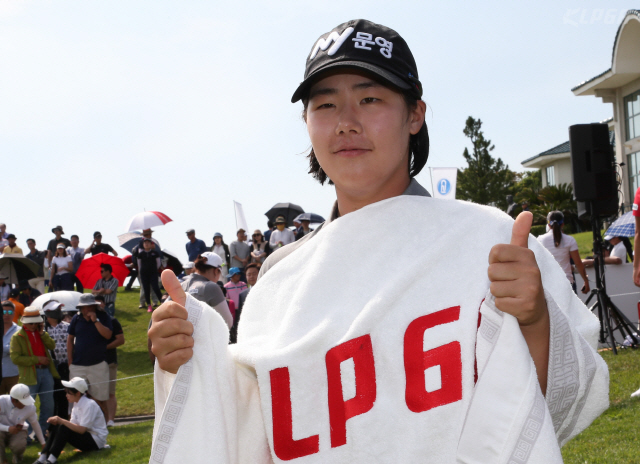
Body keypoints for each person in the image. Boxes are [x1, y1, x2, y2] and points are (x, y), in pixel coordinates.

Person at [149, 19, 608, 462]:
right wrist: (188, 364)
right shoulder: (279, 278)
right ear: (306, 123)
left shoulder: (489, 241)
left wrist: (534, 321)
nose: (346, 122)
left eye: (369, 98)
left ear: (415, 114)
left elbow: (552, 410)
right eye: (325, 105)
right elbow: (255, 430)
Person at [35, 377, 108, 463]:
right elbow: (71, 426)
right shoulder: (76, 403)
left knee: (63, 425)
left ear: (77, 393)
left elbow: (81, 430)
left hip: (95, 441)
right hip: (86, 436)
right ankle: (43, 457)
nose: (66, 395)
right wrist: (58, 425)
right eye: (66, 392)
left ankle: (51, 459)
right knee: (59, 425)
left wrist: (61, 421)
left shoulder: (89, 404)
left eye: (69, 393)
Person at [10, 308, 58, 436]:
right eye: (30, 323)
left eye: (35, 322)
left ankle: (41, 433)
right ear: (24, 322)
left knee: (48, 405)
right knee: (27, 406)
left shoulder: (42, 333)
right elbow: (15, 358)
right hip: (29, 375)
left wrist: (43, 333)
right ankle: (29, 435)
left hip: (46, 372)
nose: (33, 325)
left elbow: (52, 346)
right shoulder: (17, 336)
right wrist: (37, 359)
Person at [67, 294, 113, 418]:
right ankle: (78, 423)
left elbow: (108, 335)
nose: (87, 309)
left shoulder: (103, 316)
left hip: (98, 363)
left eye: (90, 306)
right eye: (84, 307)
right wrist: (70, 360)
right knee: (76, 396)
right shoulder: (76, 319)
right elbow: (70, 339)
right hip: (78, 364)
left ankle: (103, 425)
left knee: (100, 398)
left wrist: (95, 321)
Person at [537, 211, 590, 294]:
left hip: (548, 283)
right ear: (563, 224)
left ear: (548, 224)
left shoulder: (540, 239)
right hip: (566, 282)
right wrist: (586, 281)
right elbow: (578, 263)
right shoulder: (570, 240)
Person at [180, 253, 232, 328]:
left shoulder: (181, 285)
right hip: (202, 338)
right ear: (216, 271)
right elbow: (227, 323)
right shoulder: (211, 287)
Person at [0, 383, 46, 464]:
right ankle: (3, 460)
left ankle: (17, 456)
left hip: (18, 431)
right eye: (23, 402)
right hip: (1, 430)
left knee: (19, 446)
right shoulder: (1, 401)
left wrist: (43, 443)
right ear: (14, 400)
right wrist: (7, 428)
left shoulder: (31, 407)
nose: (26, 404)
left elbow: (35, 424)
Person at [43, 301, 70, 421]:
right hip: (48, 368)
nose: (60, 312)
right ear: (48, 314)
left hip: (64, 367)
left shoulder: (67, 326)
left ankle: (63, 423)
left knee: (63, 397)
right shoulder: (41, 330)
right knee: (50, 398)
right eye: (56, 310)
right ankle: (51, 425)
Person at [229, 263, 259, 344]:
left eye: (254, 274)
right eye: (249, 274)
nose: (251, 276)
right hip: (248, 331)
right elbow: (239, 315)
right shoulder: (242, 294)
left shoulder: (266, 291)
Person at [104, 311, 123, 428]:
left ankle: (110, 420)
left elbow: (121, 340)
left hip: (109, 362)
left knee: (110, 393)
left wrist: (103, 348)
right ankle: (102, 420)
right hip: (93, 363)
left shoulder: (112, 321)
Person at [137, 239, 163, 312]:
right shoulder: (140, 254)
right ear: (143, 244)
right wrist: (142, 271)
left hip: (153, 273)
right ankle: (149, 305)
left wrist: (154, 269)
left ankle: (162, 302)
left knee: (155, 287)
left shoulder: (155, 253)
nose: (146, 244)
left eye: (148, 243)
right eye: (145, 243)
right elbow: (139, 265)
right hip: (144, 274)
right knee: (146, 289)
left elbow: (158, 263)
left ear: (151, 244)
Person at [1, 302, 19, 395]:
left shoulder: (19, 331)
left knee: (15, 403)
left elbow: (16, 350)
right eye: (3, 311)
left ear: (14, 313)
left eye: (10, 312)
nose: (6, 314)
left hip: (14, 373)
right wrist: (8, 348)